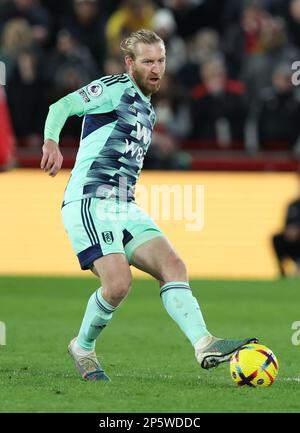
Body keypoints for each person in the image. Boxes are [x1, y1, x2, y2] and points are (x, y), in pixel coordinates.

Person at [40, 29, 257, 381]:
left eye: (161, 61)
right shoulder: (114, 88)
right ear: (130, 63)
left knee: (174, 265)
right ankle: (83, 346)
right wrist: (51, 141)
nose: (157, 68)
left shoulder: (149, 109)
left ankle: (204, 344)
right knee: (117, 284)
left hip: (124, 204)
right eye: (148, 62)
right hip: (91, 200)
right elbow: (61, 106)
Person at [272, 196, 300, 277]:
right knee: (277, 238)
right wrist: (289, 231)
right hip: (292, 241)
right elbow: (287, 223)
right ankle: (282, 270)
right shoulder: (293, 205)